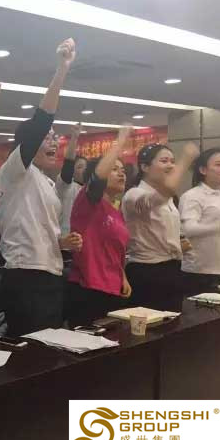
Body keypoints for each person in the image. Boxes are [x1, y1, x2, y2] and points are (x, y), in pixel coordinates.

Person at [0, 39, 82, 337]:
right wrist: (62, 69)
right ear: (28, 143)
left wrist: (61, 243)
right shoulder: (14, 170)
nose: (53, 141)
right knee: (30, 350)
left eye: (55, 137)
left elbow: (40, 227)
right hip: (25, 274)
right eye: (47, 137)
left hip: (50, 271)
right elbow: (41, 121)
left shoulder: (45, 181)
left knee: (51, 345)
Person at [65, 126, 133, 327]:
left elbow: (114, 251)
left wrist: (122, 276)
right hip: (89, 288)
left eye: (123, 170)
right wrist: (119, 142)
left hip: (113, 286)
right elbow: (97, 179)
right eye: (114, 169)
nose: (121, 174)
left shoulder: (115, 210)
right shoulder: (88, 201)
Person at [122, 142, 200, 311]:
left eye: (173, 161)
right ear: (144, 167)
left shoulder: (170, 198)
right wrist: (185, 160)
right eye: (164, 161)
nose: (171, 165)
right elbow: (159, 197)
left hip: (172, 268)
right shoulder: (134, 195)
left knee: (175, 321)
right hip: (147, 271)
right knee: (151, 324)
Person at [179, 148, 220, 295]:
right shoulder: (192, 196)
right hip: (200, 272)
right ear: (203, 170)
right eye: (219, 164)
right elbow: (188, 229)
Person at [57, 123, 86, 237]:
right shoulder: (66, 186)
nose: (85, 169)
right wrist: (74, 138)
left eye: (86, 166)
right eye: (80, 167)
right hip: (66, 238)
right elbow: (68, 163)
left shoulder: (90, 189)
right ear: (72, 172)